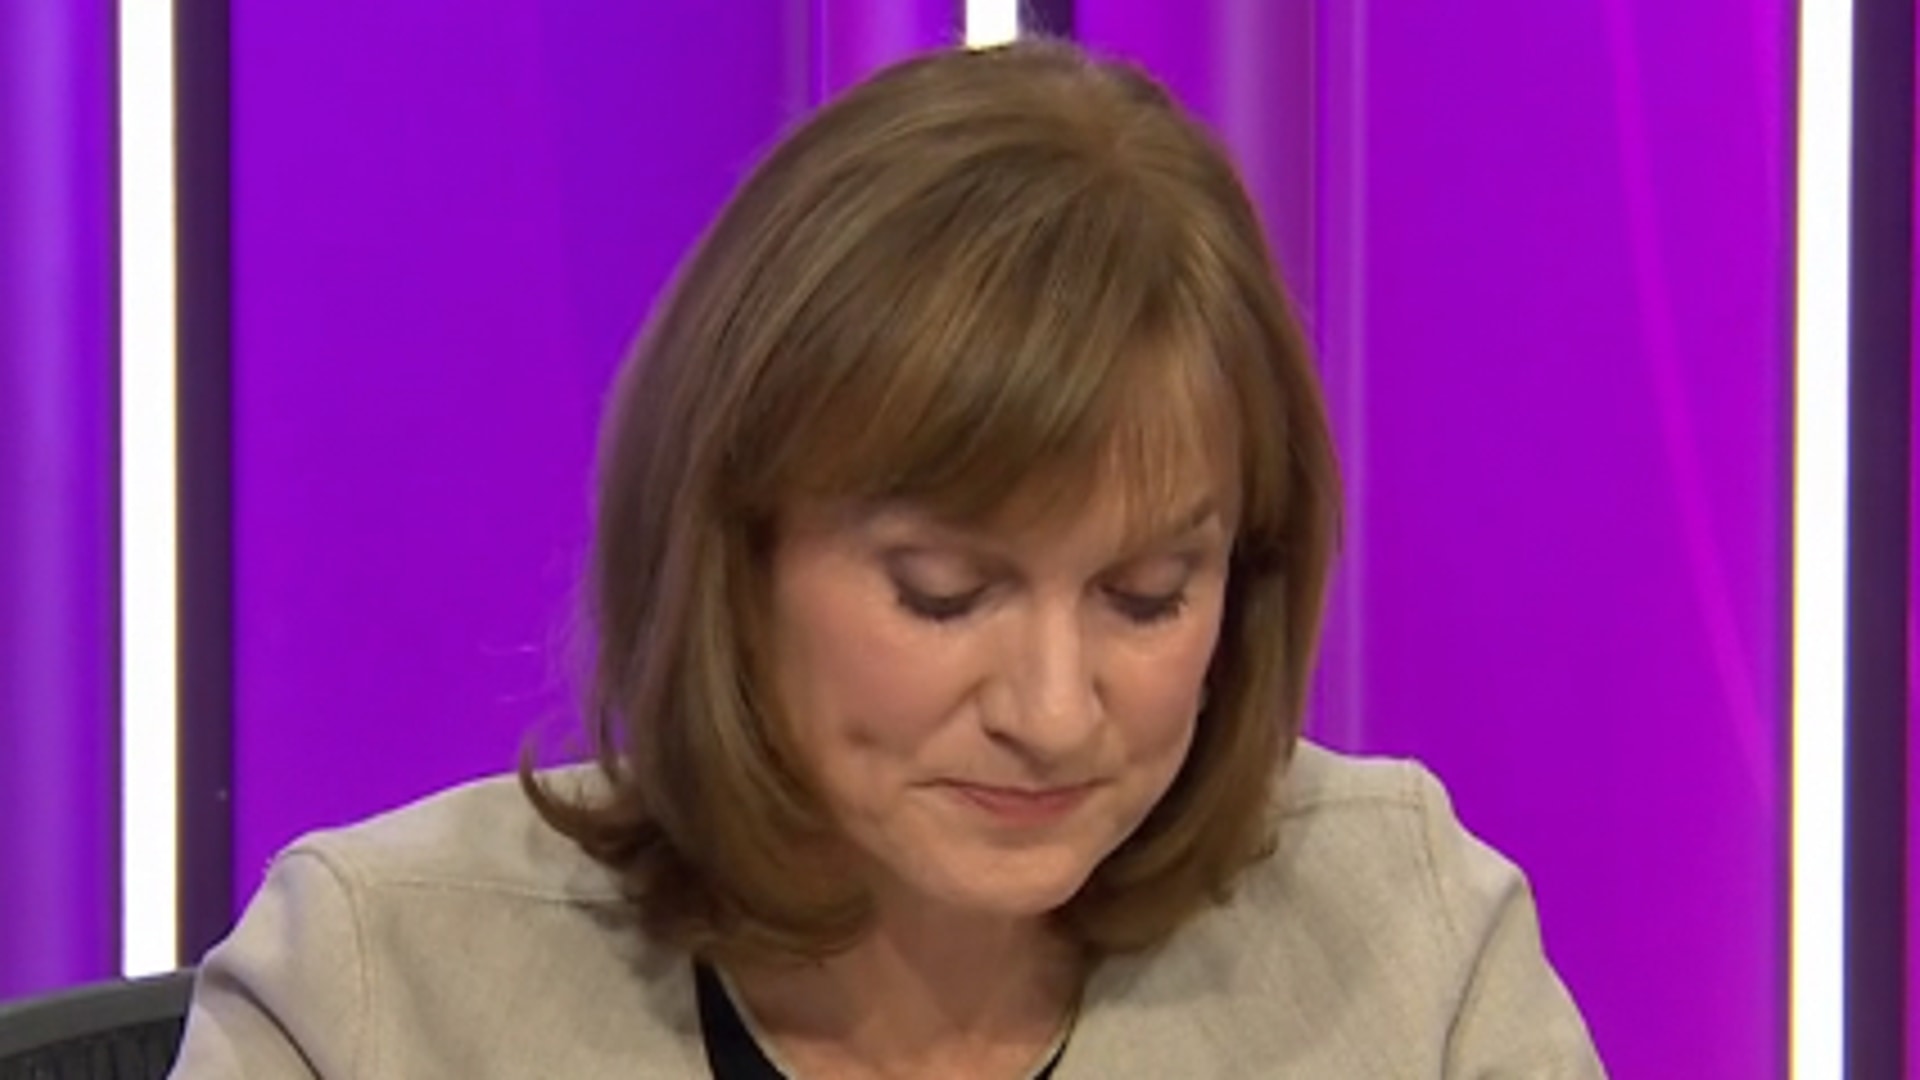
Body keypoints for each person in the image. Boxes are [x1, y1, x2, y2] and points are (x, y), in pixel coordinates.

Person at [169, 40, 1604, 1079]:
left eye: (1146, 597)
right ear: (735, 556)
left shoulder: (1409, 945)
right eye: (945, 592)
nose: (1051, 710)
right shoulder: (378, 996)